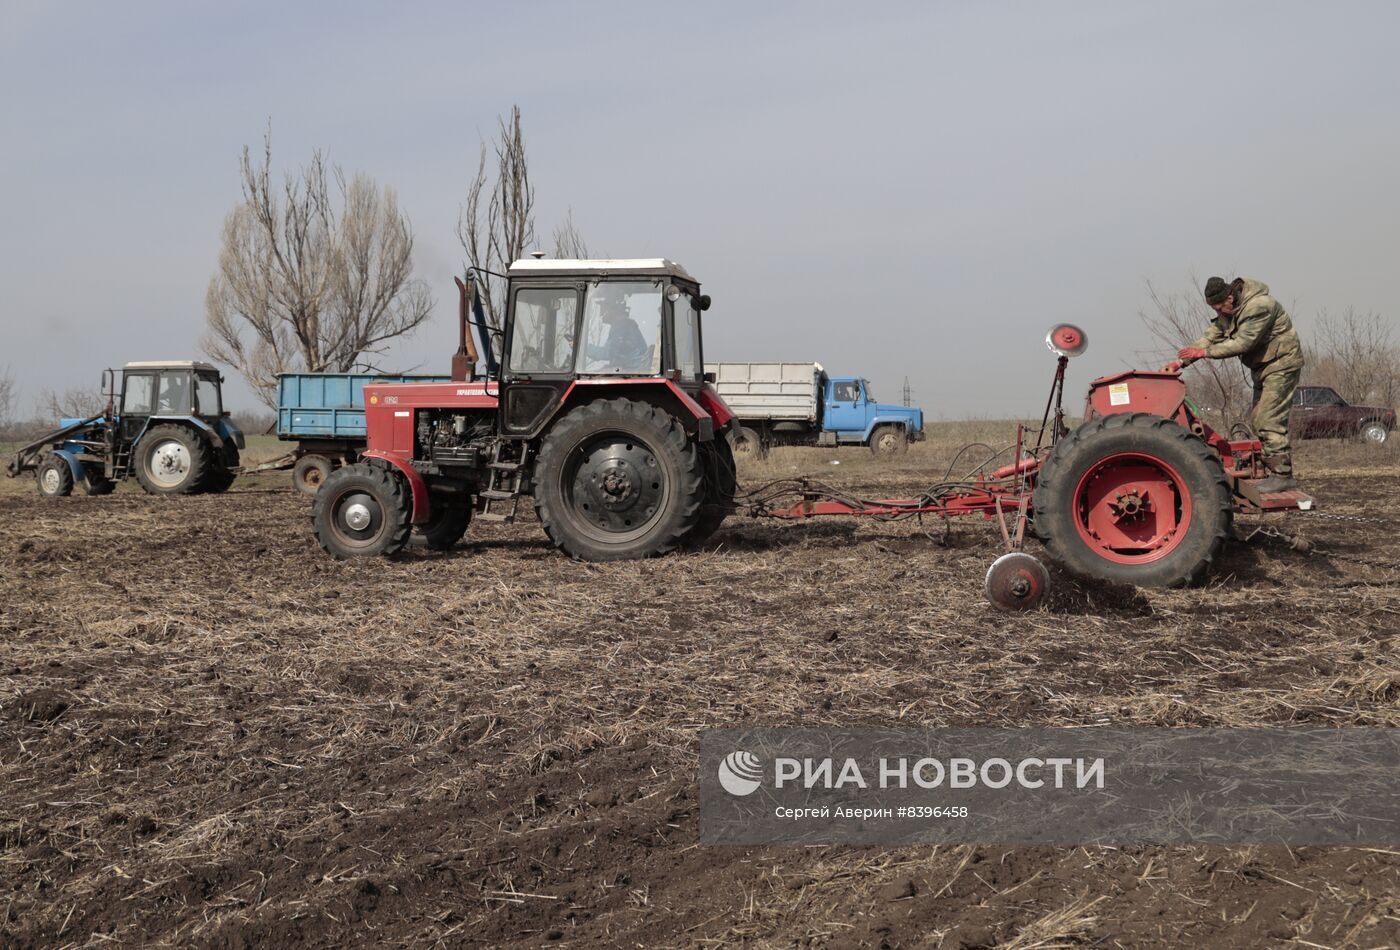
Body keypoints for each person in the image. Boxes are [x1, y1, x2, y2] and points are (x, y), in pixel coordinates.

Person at [1170, 276, 1305, 492]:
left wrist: (1204, 353)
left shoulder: (1259, 307)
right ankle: (1270, 465)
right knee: (1257, 418)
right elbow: (1211, 336)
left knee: (1267, 418)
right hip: (1264, 366)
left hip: (1281, 364)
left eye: (1218, 307)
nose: (1217, 312)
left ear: (1230, 298)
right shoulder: (1228, 310)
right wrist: (1180, 362)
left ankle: (1283, 475)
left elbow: (1243, 342)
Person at [587, 295, 650, 371]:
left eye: (603, 309)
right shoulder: (626, 325)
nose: (601, 314)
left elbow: (607, 353)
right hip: (631, 369)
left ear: (612, 309)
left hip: (632, 372)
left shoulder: (622, 326)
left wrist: (584, 348)